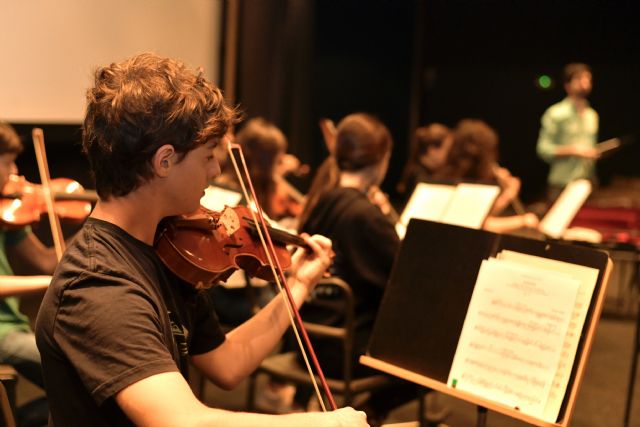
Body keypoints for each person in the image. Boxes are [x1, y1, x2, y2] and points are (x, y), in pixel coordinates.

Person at [34, 53, 367, 427]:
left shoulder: (167, 249)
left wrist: (298, 284)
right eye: (208, 156)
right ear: (164, 161)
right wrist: (327, 424)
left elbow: (226, 363)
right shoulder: (98, 284)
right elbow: (181, 422)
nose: (217, 169)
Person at [297, 113, 417, 425]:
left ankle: (371, 413)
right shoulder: (366, 216)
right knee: (437, 352)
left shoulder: (321, 201)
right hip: (345, 351)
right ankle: (374, 414)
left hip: (309, 341)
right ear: (381, 160)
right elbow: (404, 280)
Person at [0, 122, 59, 427]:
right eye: (8, 161)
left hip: (14, 327)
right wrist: (47, 284)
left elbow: (47, 262)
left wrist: (96, 223)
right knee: (73, 367)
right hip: (1, 333)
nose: (16, 173)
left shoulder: (7, 212)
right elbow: (47, 276)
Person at [436, 119, 539, 233]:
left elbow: (481, 213)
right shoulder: (465, 182)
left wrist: (508, 194)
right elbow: (480, 224)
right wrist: (522, 221)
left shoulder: (446, 173)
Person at [536, 63, 599, 199]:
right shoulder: (555, 113)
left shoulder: (592, 115)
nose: (584, 83)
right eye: (579, 78)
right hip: (562, 183)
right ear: (567, 85)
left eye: (588, 79)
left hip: (587, 182)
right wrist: (574, 150)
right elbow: (543, 149)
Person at [397, 123, 453, 196]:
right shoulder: (420, 178)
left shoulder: (416, 170)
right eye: (447, 150)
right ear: (432, 151)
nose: (449, 155)